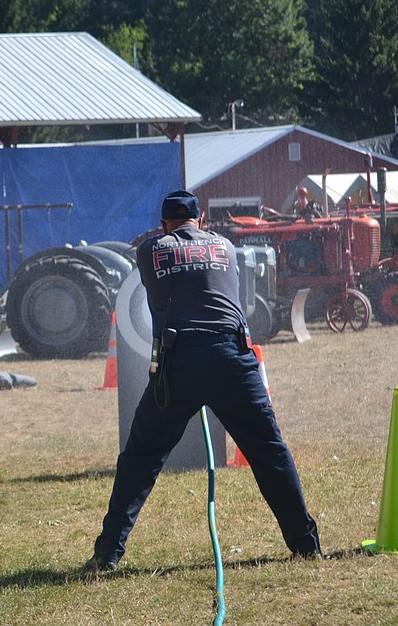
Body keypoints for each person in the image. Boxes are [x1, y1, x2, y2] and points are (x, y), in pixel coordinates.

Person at [85, 190, 321, 572]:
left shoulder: (150, 249)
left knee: (140, 460)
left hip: (180, 361)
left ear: (164, 223)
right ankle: (306, 545)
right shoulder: (225, 246)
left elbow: (153, 258)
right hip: (234, 358)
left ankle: (108, 553)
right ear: (201, 220)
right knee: (269, 452)